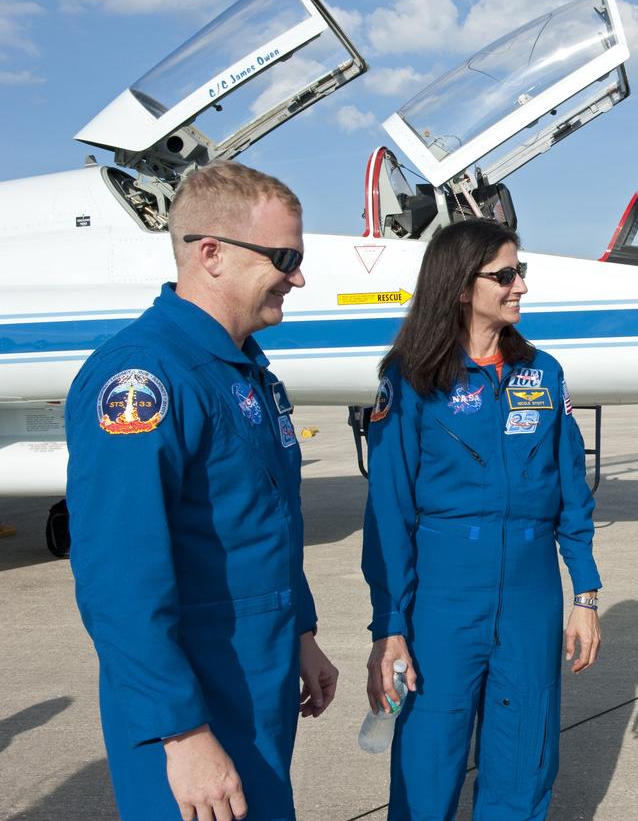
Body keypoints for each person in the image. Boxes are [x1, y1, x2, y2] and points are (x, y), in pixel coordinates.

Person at [65, 161, 339, 821]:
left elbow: (268, 522)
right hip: (192, 697)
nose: (297, 276)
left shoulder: (247, 376)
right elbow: (118, 579)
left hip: (259, 682)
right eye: (284, 257)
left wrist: (301, 630)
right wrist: (181, 733)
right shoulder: (144, 379)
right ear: (210, 254)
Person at [362, 219, 602, 820]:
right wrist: (388, 625)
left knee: (525, 757)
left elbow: (571, 485)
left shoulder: (541, 374)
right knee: (428, 758)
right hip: (443, 598)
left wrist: (586, 593)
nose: (520, 285)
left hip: (530, 593)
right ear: (462, 286)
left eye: (521, 272)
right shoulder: (411, 379)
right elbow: (389, 510)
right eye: (506, 274)